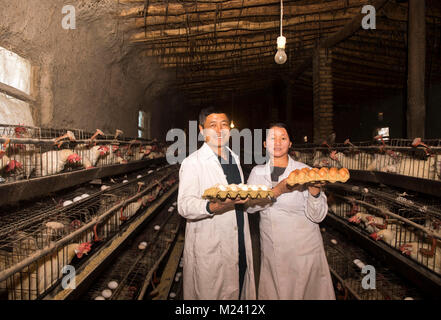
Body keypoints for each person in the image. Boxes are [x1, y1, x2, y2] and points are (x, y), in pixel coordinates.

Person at [246, 123, 335, 300]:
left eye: (283, 138)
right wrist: (275, 191)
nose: (277, 142)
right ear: (264, 143)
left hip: (304, 252)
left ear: (290, 143)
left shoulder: (305, 172)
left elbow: (317, 216)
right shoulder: (257, 173)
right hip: (273, 250)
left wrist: (315, 192)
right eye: (272, 138)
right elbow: (249, 207)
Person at [177, 106, 256, 300]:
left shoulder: (234, 159)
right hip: (210, 242)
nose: (219, 130)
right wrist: (212, 207)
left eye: (224, 125)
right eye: (213, 126)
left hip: (238, 238)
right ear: (202, 131)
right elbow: (184, 205)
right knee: (212, 293)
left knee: (238, 286)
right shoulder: (192, 162)